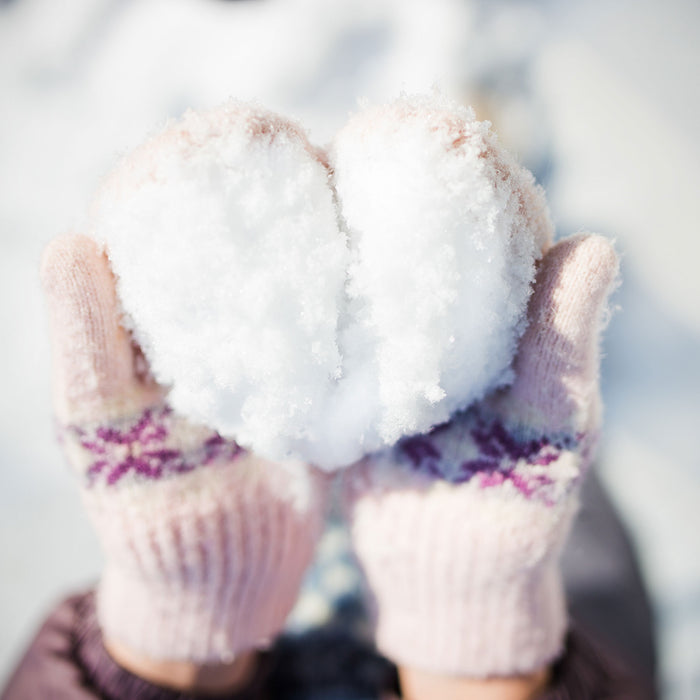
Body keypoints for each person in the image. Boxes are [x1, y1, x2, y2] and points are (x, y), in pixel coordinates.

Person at [2, 104, 649, 700]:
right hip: (477, 504)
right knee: (554, 489)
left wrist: (173, 634)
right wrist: (478, 647)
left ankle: (483, 254)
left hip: (247, 512)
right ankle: (506, 167)